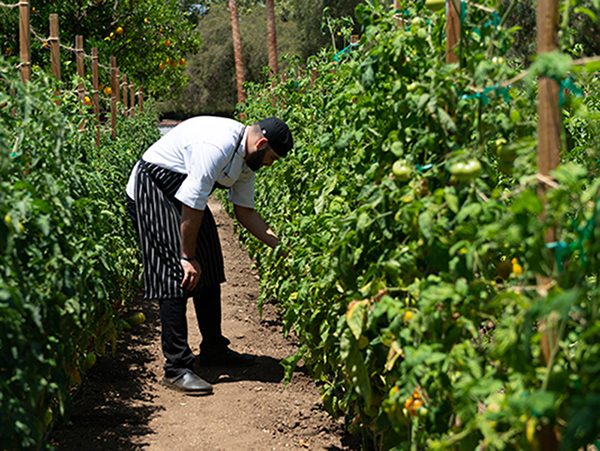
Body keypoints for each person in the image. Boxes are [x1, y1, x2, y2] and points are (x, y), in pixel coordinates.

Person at [125, 116, 293, 395]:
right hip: (152, 189)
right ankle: (177, 368)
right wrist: (186, 256)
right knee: (177, 273)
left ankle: (214, 349)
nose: (269, 164)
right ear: (261, 143)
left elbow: (245, 211)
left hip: (182, 196)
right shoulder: (217, 145)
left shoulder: (247, 159)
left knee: (211, 264)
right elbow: (193, 201)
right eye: (271, 157)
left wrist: (283, 246)